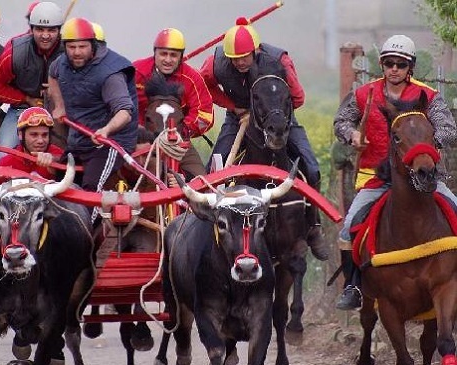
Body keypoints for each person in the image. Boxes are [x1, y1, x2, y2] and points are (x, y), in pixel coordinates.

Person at [333, 34, 457, 310]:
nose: (394, 69)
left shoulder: (428, 97)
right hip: (375, 177)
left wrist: (421, 143)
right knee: (346, 231)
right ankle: (353, 286)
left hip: (423, 176)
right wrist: (353, 135)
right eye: (389, 63)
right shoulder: (363, 95)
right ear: (382, 65)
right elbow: (341, 122)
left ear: (410, 67)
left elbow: (448, 130)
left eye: (401, 64)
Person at [200, 17, 328, 260]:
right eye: (234, 58)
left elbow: (298, 98)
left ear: (256, 50)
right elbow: (202, 84)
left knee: (312, 169)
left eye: (244, 57)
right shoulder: (215, 63)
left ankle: (313, 227)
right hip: (238, 118)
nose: (239, 63)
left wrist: (273, 114)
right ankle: (209, 230)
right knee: (213, 169)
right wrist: (234, 107)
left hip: (278, 119)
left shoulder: (279, 61)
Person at [48, 17, 138, 194]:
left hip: (110, 143)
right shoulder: (62, 62)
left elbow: (124, 113)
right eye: (72, 47)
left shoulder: (110, 74)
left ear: (93, 45)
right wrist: (59, 106)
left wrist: (106, 130)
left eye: (82, 47)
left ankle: (88, 221)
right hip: (79, 139)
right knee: (60, 187)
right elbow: (52, 74)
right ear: (64, 47)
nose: (77, 52)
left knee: (90, 191)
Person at [0, 1, 64, 162]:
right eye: (40, 29)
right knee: (2, 156)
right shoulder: (16, 52)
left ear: (59, 30)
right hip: (21, 110)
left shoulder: (70, 51)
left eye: (51, 30)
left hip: (62, 111)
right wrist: (25, 99)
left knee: (76, 153)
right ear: (31, 29)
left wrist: (58, 93)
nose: (45, 35)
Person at [133, 27, 213, 178]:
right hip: (141, 141)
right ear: (154, 53)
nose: (168, 60)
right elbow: (125, 106)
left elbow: (205, 115)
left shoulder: (192, 78)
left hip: (179, 142)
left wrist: (182, 131)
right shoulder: (136, 72)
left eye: (173, 55)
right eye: (163, 54)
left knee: (201, 181)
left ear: (181, 57)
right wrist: (138, 133)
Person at [0, 107, 62, 179]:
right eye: (34, 135)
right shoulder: (7, 162)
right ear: (20, 134)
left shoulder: (59, 155)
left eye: (45, 135)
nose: (40, 141)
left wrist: (55, 164)